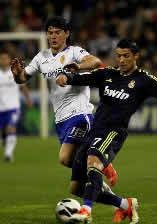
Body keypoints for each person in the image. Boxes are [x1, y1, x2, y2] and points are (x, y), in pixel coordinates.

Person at [56, 39, 157, 224]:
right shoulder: (107, 74)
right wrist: (66, 77)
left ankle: (86, 210)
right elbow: (82, 78)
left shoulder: (144, 80)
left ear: (136, 57)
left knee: (94, 160)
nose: (121, 60)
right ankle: (125, 205)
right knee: (76, 188)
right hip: (94, 130)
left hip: (113, 132)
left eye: (126, 56)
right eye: (119, 56)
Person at [10, 16, 117, 189]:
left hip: (80, 113)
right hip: (61, 118)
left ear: (66, 34)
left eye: (57, 33)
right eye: (50, 33)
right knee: (69, 161)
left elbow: (96, 62)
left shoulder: (74, 52)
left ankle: (100, 163)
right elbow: (22, 79)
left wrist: (77, 66)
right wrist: (16, 74)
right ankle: (100, 172)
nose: (53, 36)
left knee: (64, 157)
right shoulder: (41, 57)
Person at [0, 49, 32, 162]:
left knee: (11, 127)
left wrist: (28, 100)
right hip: (1, 108)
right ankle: (5, 141)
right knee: (3, 131)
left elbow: (23, 87)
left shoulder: (13, 72)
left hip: (13, 106)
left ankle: (8, 154)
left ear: (9, 60)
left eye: (5, 58)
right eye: (1, 58)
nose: (3, 60)